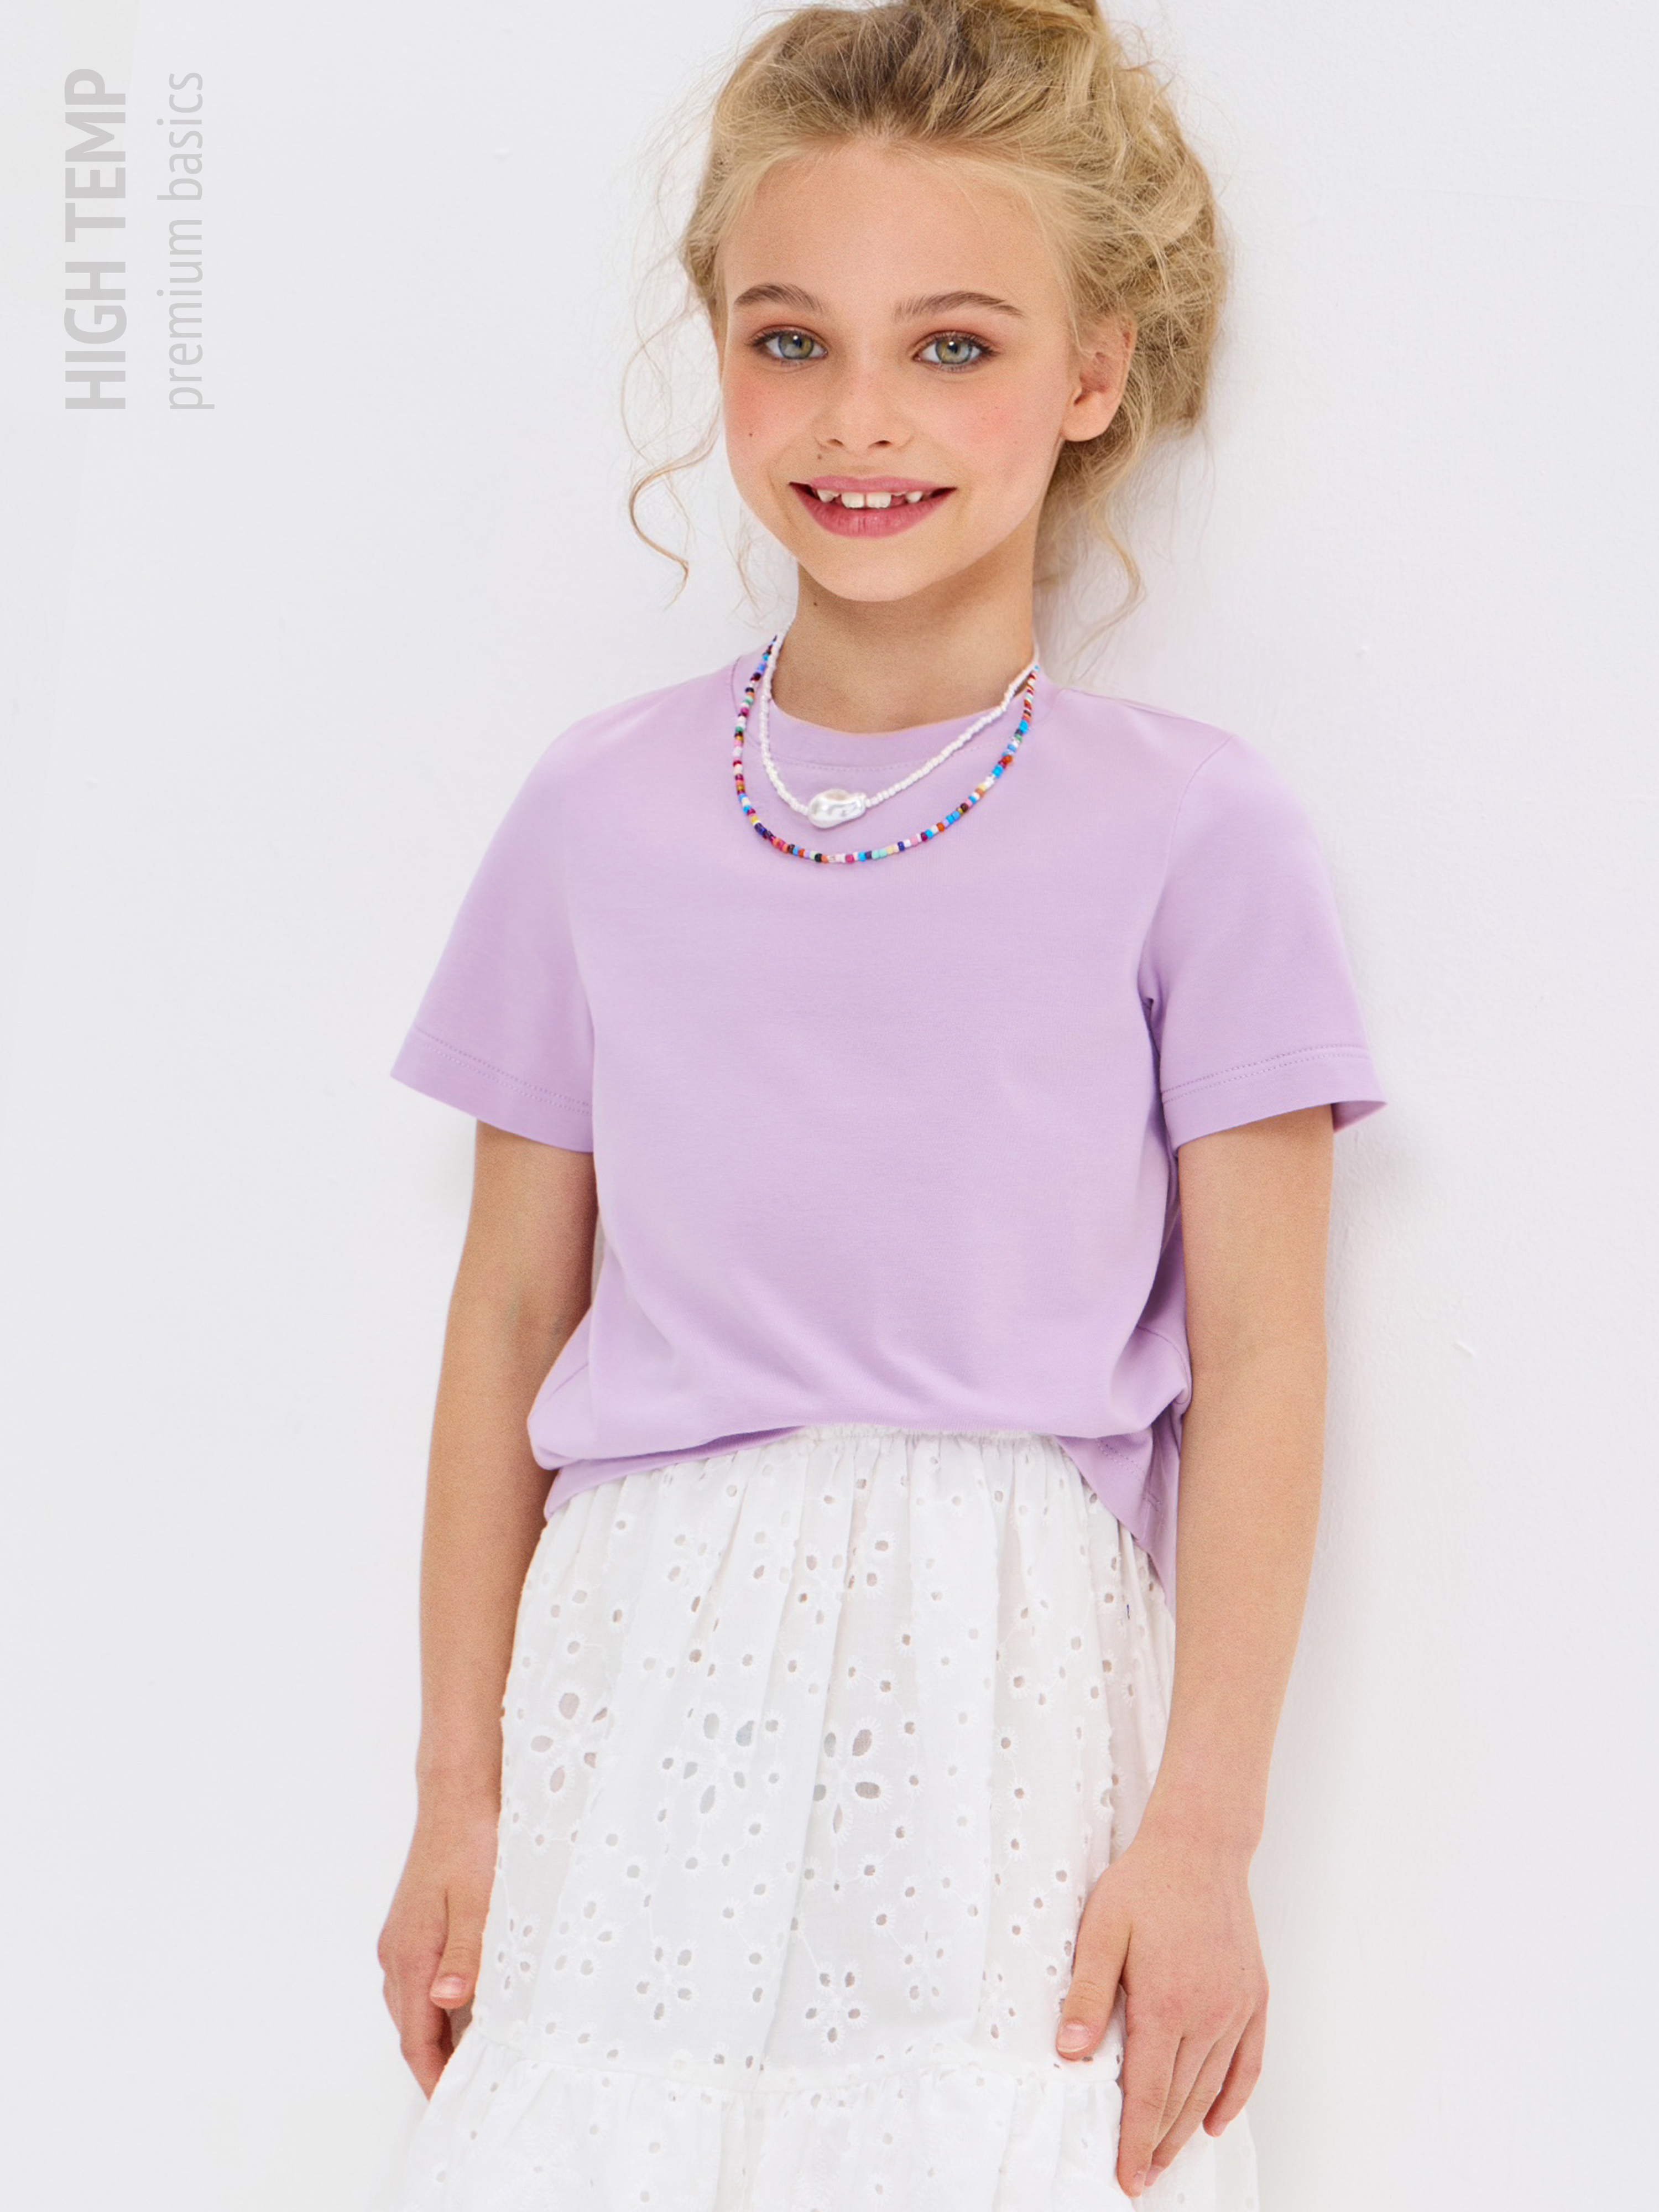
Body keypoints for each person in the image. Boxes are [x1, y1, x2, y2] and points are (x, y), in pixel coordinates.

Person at [376, 2, 1385, 2204]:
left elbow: (1267, 1355)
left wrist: (1205, 1832)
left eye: (951, 347)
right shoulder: (597, 811)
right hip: (639, 1662)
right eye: (790, 340)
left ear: (1093, 372)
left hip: (997, 1676)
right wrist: (457, 1787)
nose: (859, 419)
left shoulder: (1198, 832)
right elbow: (506, 1314)